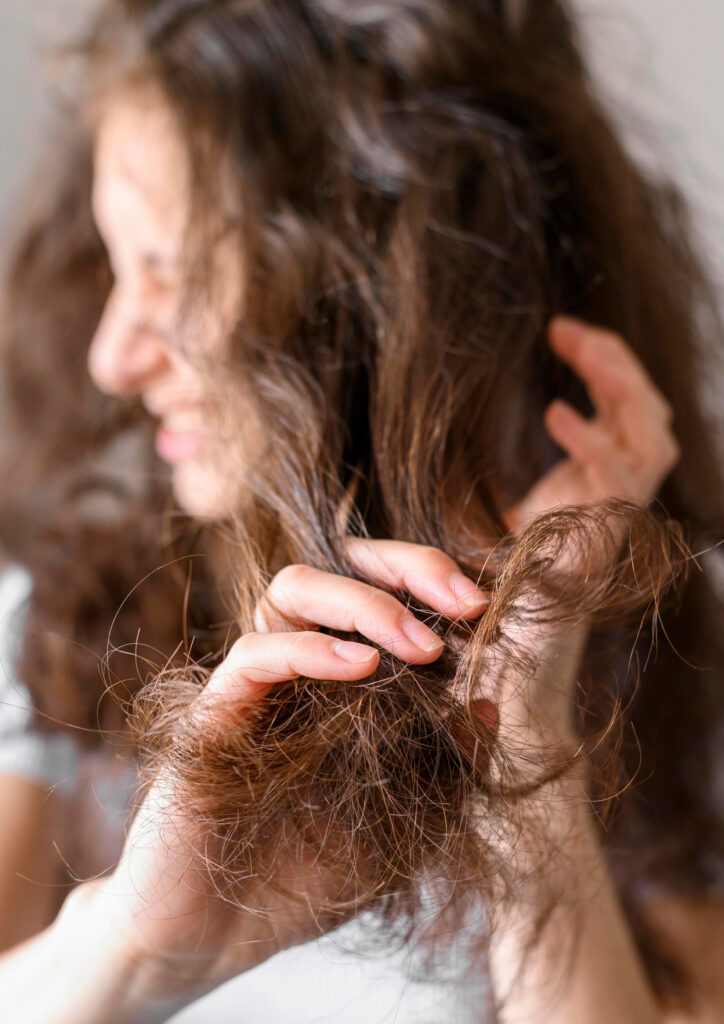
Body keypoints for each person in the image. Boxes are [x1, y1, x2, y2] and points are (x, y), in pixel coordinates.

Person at [0, 1, 722, 1021]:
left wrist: (524, 738)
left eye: (171, 270)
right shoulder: (61, 626)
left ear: (374, 289)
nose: (111, 358)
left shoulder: (665, 660)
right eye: (116, 266)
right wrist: (132, 946)